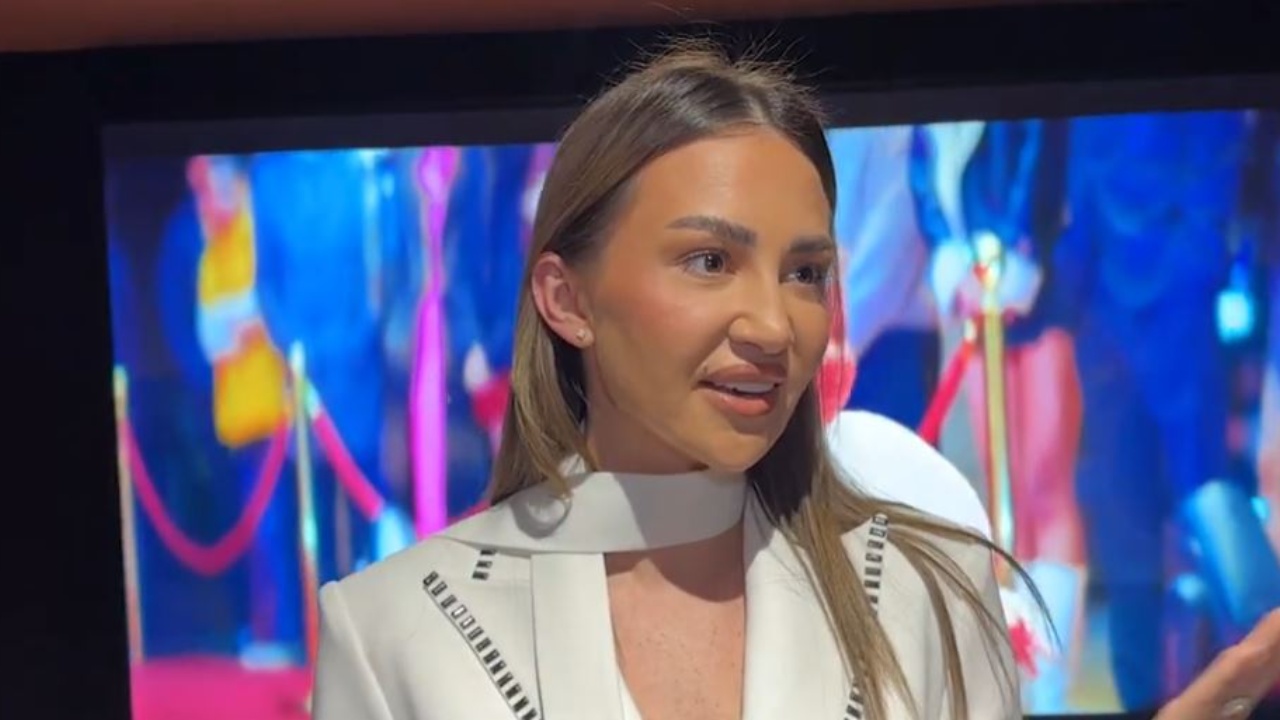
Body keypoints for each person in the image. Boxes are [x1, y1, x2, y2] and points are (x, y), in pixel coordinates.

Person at [313, 42, 1280, 720]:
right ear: (567, 299)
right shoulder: (393, 631)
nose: (774, 326)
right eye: (709, 261)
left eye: (806, 273)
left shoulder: (925, 590)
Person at [909, 118, 1088, 713]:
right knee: (998, 487)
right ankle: (1017, 673)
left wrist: (1021, 249)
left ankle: (1050, 689)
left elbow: (1039, 156)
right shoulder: (927, 115)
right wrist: (949, 255)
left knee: (1044, 485)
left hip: (1038, 282)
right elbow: (925, 176)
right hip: (973, 289)